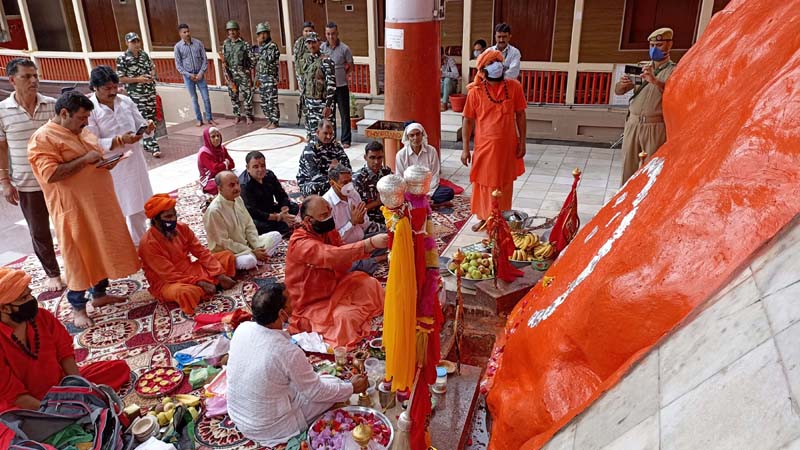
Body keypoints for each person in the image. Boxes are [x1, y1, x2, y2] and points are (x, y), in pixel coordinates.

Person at [28, 91, 141, 329]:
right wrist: (84, 161)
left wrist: (105, 161)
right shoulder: (43, 138)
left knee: (102, 246)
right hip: (73, 209)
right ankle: (78, 307)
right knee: (79, 255)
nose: (86, 123)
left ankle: (99, 294)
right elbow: (50, 174)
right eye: (82, 118)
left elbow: (93, 153)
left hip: (98, 203)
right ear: (64, 113)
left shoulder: (80, 130)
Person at [227, 283, 367, 447]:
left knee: (310, 381)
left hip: (239, 416)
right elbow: (316, 392)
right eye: (290, 301)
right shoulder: (287, 351)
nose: (294, 303)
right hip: (270, 427)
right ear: (281, 313)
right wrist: (351, 387)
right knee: (333, 383)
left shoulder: (243, 328)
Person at [0, 267, 131, 413]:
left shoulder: (41, 316)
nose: (31, 300)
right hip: (26, 404)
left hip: (61, 385)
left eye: (29, 294)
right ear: (5, 308)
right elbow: (15, 395)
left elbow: (65, 353)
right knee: (15, 434)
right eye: (24, 299)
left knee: (117, 368)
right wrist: (54, 413)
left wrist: (80, 388)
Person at [285, 196, 387, 347]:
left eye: (329, 212)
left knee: (370, 284)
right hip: (311, 302)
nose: (329, 217)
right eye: (323, 215)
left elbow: (342, 256)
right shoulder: (300, 244)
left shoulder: (328, 230)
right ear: (308, 220)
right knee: (345, 318)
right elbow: (332, 255)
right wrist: (368, 244)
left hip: (337, 285)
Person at [0, 58, 63, 291]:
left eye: (35, 75)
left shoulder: (53, 105)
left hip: (56, 180)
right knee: (39, 230)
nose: (34, 80)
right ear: (12, 80)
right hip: (27, 183)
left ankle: (77, 267)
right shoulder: (2, 111)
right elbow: (1, 148)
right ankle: (52, 273)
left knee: (67, 225)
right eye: (27, 76)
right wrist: (5, 181)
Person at [86, 65, 155, 246]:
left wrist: (147, 128)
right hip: (111, 166)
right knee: (115, 208)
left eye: (115, 87)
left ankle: (141, 244)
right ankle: (120, 247)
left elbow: (140, 123)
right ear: (95, 87)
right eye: (107, 88)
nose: (113, 92)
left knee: (138, 204)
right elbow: (90, 142)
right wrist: (117, 141)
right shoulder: (89, 109)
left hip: (134, 160)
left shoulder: (125, 101)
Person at [461, 51, 527, 232]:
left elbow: (521, 115)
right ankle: (485, 218)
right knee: (484, 184)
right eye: (491, 62)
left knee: (504, 184)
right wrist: (465, 149)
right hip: (484, 148)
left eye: (498, 61)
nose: (496, 64)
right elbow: (467, 120)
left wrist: (522, 142)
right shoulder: (475, 92)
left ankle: (501, 219)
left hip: (507, 148)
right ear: (483, 70)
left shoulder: (514, 87)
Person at [138, 194, 237, 315]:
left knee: (227, 256)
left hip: (190, 269)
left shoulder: (182, 228)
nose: (173, 219)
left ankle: (215, 283)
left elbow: (201, 252)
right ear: (155, 220)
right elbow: (169, 275)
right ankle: (210, 286)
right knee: (185, 292)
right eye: (168, 216)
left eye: (174, 214)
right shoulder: (148, 243)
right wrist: (200, 282)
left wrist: (219, 273)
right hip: (168, 282)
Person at [615, 27, 677, 184]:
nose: (654, 49)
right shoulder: (641, 66)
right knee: (628, 166)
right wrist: (622, 84)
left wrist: (655, 81)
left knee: (651, 168)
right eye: (651, 45)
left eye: (659, 45)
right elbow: (619, 91)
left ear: (669, 45)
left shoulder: (674, 70)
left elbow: (676, 94)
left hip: (654, 125)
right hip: (633, 123)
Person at [204, 171, 282, 271]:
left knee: (276, 235)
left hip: (246, 245)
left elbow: (249, 224)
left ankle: (259, 257)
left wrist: (257, 246)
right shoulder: (214, 211)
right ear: (220, 189)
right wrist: (251, 252)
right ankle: (257, 259)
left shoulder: (238, 199)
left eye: (237, 183)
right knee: (249, 261)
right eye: (231, 185)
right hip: (229, 252)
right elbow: (225, 243)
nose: (236, 188)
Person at [116, 32, 161, 157]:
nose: (136, 44)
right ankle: (153, 146)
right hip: (136, 94)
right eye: (133, 42)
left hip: (149, 91)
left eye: (137, 41)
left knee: (152, 118)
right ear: (127, 43)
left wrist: (151, 75)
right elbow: (121, 78)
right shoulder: (123, 58)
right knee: (143, 119)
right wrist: (138, 79)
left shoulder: (144, 55)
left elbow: (152, 67)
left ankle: (148, 142)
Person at [239, 151, 298, 236]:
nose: (260, 170)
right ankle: (282, 226)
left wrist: (284, 211)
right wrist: (277, 217)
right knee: (256, 226)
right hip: (255, 216)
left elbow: (281, 195)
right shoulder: (244, 185)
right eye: (255, 167)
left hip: (270, 209)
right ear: (248, 168)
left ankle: (282, 225)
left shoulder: (269, 174)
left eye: (263, 166)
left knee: (294, 206)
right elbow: (252, 211)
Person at [397, 122, 454, 207]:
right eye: (412, 135)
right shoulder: (401, 155)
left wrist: (428, 194)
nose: (415, 138)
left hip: (428, 189)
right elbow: (400, 178)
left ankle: (420, 204)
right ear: (408, 137)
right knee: (399, 196)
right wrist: (412, 193)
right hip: (410, 191)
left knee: (449, 192)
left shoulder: (431, 151)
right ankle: (433, 205)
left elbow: (435, 174)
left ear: (422, 134)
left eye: (418, 134)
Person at [174, 23, 215, 127]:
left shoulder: (198, 43)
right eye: (184, 32)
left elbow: (204, 59)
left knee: (206, 97)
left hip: (200, 75)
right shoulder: (178, 47)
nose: (187, 34)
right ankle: (199, 120)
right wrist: (188, 75)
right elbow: (178, 65)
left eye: (188, 31)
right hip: (188, 77)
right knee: (194, 99)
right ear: (180, 34)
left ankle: (209, 118)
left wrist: (201, 73)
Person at [321, 22, 354, 148]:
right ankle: (331, 138)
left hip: (341, 86)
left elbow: (350, 66)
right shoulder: (322, 48)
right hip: (328, 89)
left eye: (333, 34)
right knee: (330, 114)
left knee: (344, 114)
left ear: (337, 33)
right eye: (328, 34)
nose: (331, 37)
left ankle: (346, 140)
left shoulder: (344, 48)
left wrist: (342, 74)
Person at [297, 120, 350, 196]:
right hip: (310, 182)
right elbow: (315, 176)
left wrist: (339, 167)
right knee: (320, 188)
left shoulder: (336, 146)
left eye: (330, 134)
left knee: (355, 180)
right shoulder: (310, 149)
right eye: (325, 133)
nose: (328, 136)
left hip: (334, 179)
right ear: (318, 132)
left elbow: (348, 168)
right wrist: (336, 179)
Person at [301, 32, 336, 140]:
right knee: (313, 135)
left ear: (319, 43)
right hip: (309, 104)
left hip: (322, 104)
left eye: (314, 42)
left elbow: (332, 85)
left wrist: (328, 105)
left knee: (327, 135)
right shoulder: (307, 61)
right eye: (309, 43)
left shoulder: (326, 61)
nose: (311, 46)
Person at [221, 20, 254, 125]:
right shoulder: (226, 44)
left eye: (233, 30)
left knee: (247, 95)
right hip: (231, 74)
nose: (231, 33)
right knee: (233, 95)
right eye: (229, 30)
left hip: (243, 74)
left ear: (238, 31)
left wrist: (247, 69)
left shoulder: (244, 44)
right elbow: (224, 59)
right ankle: (237, 115)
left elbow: (252, 59)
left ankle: (248, 116)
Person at [353, 141, 392, 225]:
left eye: (379, 157)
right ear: (365, 157)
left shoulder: (386, 172)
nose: (376, 162)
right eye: (372, 157)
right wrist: (376, 203)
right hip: (369, 221)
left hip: (389, 216)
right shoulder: (358, 179)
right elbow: (356, 212)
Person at [254, 22, 281, 129]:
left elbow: (268, 59)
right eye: (260, 34)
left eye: (264, 33)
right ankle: (269, 119)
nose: (262, 36)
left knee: (272, 101)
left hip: (270, 77)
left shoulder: (272, 46)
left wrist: (260, 48)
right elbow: (255, 61)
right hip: (261, 78)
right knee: (264, 101)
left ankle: (275, 121)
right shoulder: (260, 48)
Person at [198, 126, 234, 195]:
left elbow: (232, 163)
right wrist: (225, 163)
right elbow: (215, 169)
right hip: (209, 179)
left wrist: (222, 166)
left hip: (223, 174)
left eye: (218, 136)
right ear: (208, 138)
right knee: (220, 186)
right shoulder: (204, 152)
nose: (217, 138)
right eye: (213, 136)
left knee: (239, 177)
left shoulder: (222, 148)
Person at [292, 21, 316, 89]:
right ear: (302, 32)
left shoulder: (317, 42)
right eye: (306, 31)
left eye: (310, 31)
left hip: (313, 75)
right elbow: (296, 60)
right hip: (302, 75)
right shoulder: (298, 43)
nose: (308, 33)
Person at [441, 47, 459, 111]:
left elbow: (456, 75)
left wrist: (443, 74)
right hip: (439, 86)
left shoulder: (449, 60)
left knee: (447, 80)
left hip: (449, 86)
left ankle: (444, 103)